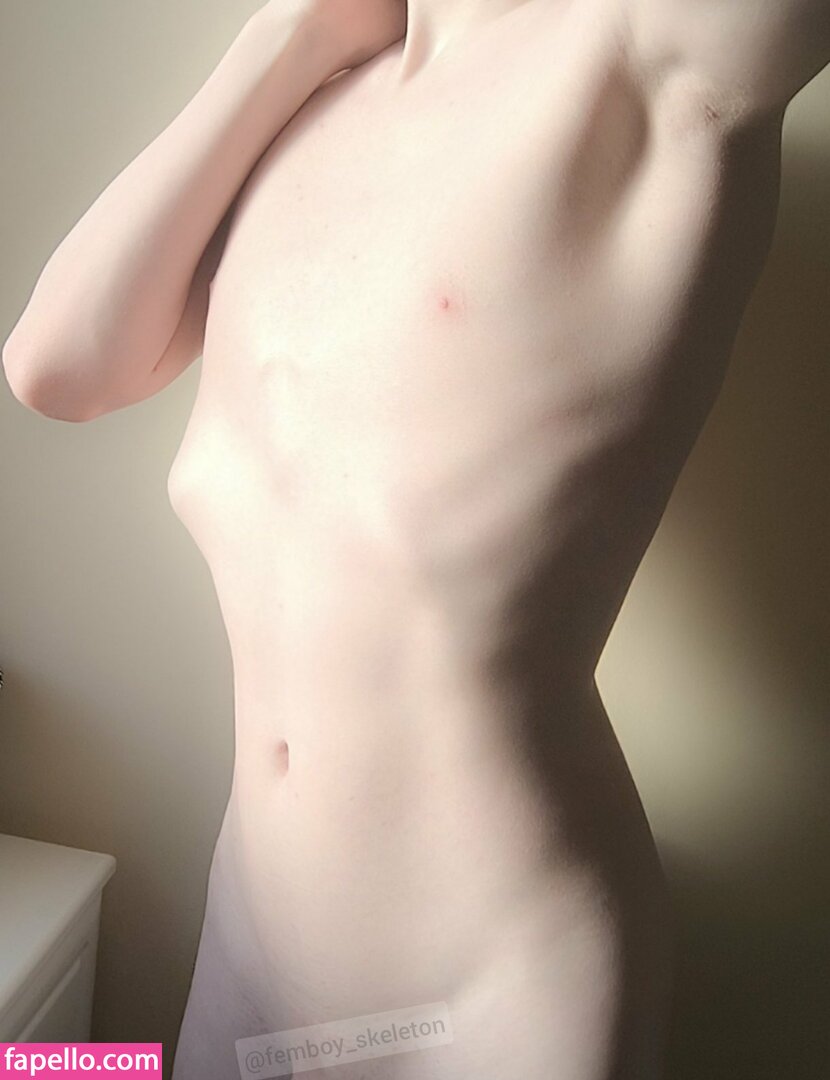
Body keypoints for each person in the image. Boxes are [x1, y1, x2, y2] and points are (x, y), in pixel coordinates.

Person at [4, 0, 829, 1077]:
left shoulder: (649, 46)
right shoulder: (309, 104)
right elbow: (57, 367)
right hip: (249, 959)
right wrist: (294, 34)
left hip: (492, 1000)